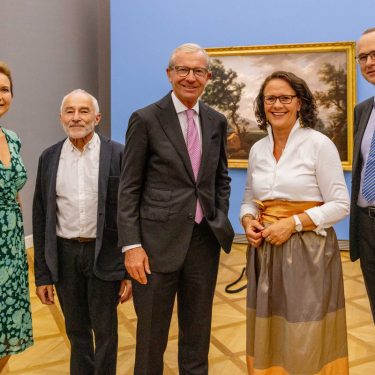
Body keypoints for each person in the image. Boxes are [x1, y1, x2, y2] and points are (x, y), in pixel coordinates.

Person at [117, 43, 234, 375]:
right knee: (152, 337)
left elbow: (220, 178)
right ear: (169, 74)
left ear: (208, 77)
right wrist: (132, 245)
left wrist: (218, 216)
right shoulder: (145, 119)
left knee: (197, 334)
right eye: (182, 69)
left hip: (203, 243)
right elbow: (129, 187)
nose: (190, 77)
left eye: (198, 71)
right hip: (154, 247)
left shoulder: (216, 121)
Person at [240, 71, 350, 374]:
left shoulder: (319, 145)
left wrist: (293, 224)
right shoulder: (257, 149)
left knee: (305, 331)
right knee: (269, 327)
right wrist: (248, 221)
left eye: (285, 98)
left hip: (309, 253)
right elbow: (249, 197)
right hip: (266, 253)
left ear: (299, 103)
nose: (277, 105)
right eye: (270, 98)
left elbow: (341, 205)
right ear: (263, 105)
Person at [33, 89, 132, 375]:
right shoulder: (49, 158)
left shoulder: (118, 154)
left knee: (105, 331)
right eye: (70, 111)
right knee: (76, 331)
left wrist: (127, 269)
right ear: (61, 117)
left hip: (105, 255)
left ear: (97, 118)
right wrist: (43, 273)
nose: (76, 117)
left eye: (84, 111)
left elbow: (129, 212)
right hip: (64, 257)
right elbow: (40, 217)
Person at [0, 61, 33, 371]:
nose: (0, 95)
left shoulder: (11, 138)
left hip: (10, 247)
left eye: (5, 89)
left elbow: (14, 190)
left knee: (8, 330)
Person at [350, 27, 375, 322]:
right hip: (366, 226)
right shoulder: (362, 111)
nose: (369, 63)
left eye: (374, 54)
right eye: (363, 57)